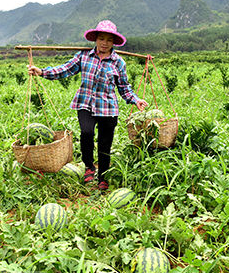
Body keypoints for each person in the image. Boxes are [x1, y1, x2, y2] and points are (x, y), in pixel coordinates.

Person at [27, 20, 148, 190]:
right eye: (101, 39)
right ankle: (89, 166)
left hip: (108, 108)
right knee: (86, 132)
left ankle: (103, 176)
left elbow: (124, 88)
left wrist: (136, 100)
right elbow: (65, 69)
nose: (104, 43)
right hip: (85, 103)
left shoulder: (118, 62)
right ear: (95, 40)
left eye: (108, 40)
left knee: (105, 143)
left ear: (113, 42)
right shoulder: (84, 56)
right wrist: (42, 72)